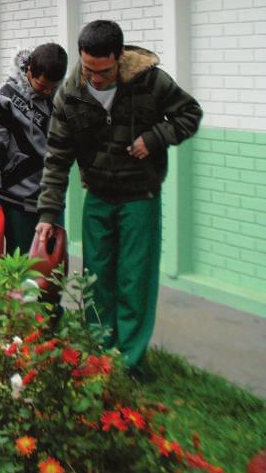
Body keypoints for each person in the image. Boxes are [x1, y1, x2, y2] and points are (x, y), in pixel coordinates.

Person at [35, 20, 202, 371]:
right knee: (96, 278)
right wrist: (48, 215)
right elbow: (57, 157)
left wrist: (155, 138)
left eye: (104, 71)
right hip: (97, 196)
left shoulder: (152, 82)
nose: (95, 79)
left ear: (120, 57)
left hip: (140, 195)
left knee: (134, 278)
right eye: (89, 70)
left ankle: (129, 363)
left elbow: (190, 114)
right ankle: (99, 354)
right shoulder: (71, 92)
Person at [0, 43, 68, 256]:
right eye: (42, 85)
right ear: (29, 70)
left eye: (53, 86)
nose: (47, 91)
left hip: (50, 197)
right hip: (14, 198)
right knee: (20, 264)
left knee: (52, 266)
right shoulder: (4, 96)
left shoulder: (63, 97)